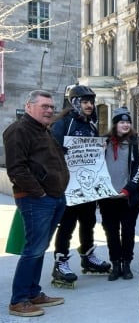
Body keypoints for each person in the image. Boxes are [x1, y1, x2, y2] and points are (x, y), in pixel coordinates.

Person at [4, 90, 69, 317]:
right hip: (36, 200)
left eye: (51, 107)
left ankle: (33, 293)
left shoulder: (44, 130)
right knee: (32, 250)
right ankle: (19, 300)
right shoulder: (18, 130)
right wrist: (40, 194)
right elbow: (16, 169)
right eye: (44, 106)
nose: (50, 110)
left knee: (40, 249)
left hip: (54, 197)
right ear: (29, 106)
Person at [51, 85, 111, 285]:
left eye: (91, 102)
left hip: (88, 186)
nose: (89, 105)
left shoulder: (91, 126)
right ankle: (60, 262)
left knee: (89, 222)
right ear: (75, 103)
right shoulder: (63, 124)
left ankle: (88, 256)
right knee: (67, 225)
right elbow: (53, 151)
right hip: (69, 186)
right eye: (85, 102)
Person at [99, 107, 139, 281]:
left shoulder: (136, 143)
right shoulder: (104, 142)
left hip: (128, 197)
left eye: (128, 122)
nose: (125, 125)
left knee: (128, 231)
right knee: (111, 232)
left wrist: (128, 189)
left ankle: (127, 263)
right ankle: (115, 264)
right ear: (115, 124)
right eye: (122, 122)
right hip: (107, 197)